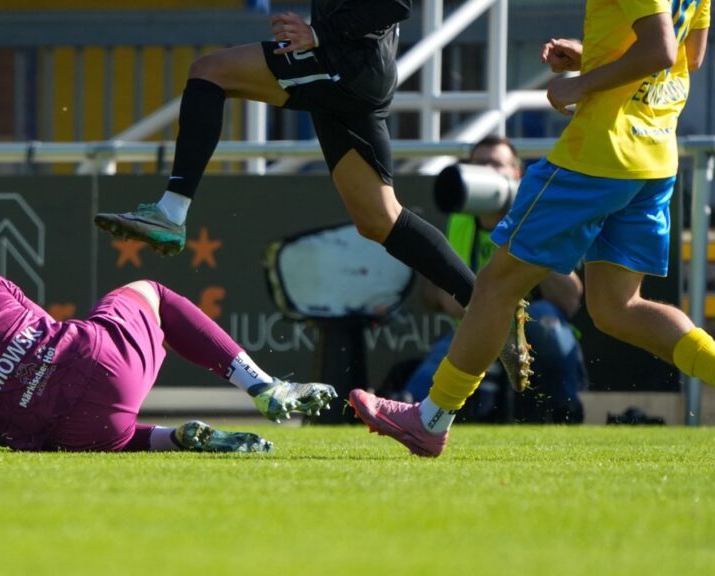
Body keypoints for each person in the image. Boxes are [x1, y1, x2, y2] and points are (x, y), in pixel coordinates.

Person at [93, 1, 531, 391]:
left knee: (210, 71)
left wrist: (318, 33)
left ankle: (172, 211)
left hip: (345, 64)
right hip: (352, 69)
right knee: (380, 219)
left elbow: (395, 5)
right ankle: (493, 314)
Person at [351, 0, 711, 457]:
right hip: (655, 157)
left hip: (600, 153)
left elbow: (660, 50)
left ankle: (429, 419)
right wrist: (594, 57)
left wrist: (580, 84)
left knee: (495, 287)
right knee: (617, 307)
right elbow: (689, 55)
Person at [0, 237, 336, 453]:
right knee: (150, 290)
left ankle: (172, 442)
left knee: (70, 428)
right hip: (100, 366)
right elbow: (41, 328)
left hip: (59, 433)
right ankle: (263, 386)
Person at [404, 136, 588, 424]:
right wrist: (448, 295)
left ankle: (565, 411)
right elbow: (427, 295)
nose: (487, 172)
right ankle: (411, 414)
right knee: (436, 365)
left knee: (548, 322)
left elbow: (569, 299)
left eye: (495, 164)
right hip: (474, 328)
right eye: (479, 164)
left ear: (517, 175)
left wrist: (529, 232)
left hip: (535, 330)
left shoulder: (537, 216)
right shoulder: (459, 219)